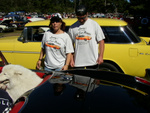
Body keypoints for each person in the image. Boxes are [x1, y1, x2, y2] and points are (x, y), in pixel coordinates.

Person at [68, 5, 105, 69]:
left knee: (93, 79)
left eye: (83, 18)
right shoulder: (72, 28)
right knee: (79, 79)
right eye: (79, 18)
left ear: (87, 14)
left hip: (93, 61)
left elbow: (101, 41)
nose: (81, 20)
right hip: (78, 62)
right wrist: (71, 59)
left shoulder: (94, 24)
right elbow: (70, 45)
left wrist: (101, 56)